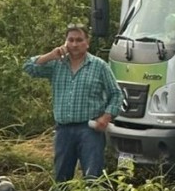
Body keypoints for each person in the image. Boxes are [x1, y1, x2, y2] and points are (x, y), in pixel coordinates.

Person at [23, 24, 124, 182]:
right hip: (63, 130)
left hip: (90, 130)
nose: (74, 44)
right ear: (65, 42)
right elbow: (29, 67)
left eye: (79, 40)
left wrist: (106, 117)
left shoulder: (99, 66)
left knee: (93, 177)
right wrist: (51, 55)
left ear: (87, 42)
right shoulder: (57, 65)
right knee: (61, 178)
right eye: (71, 40)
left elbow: (116, 94)